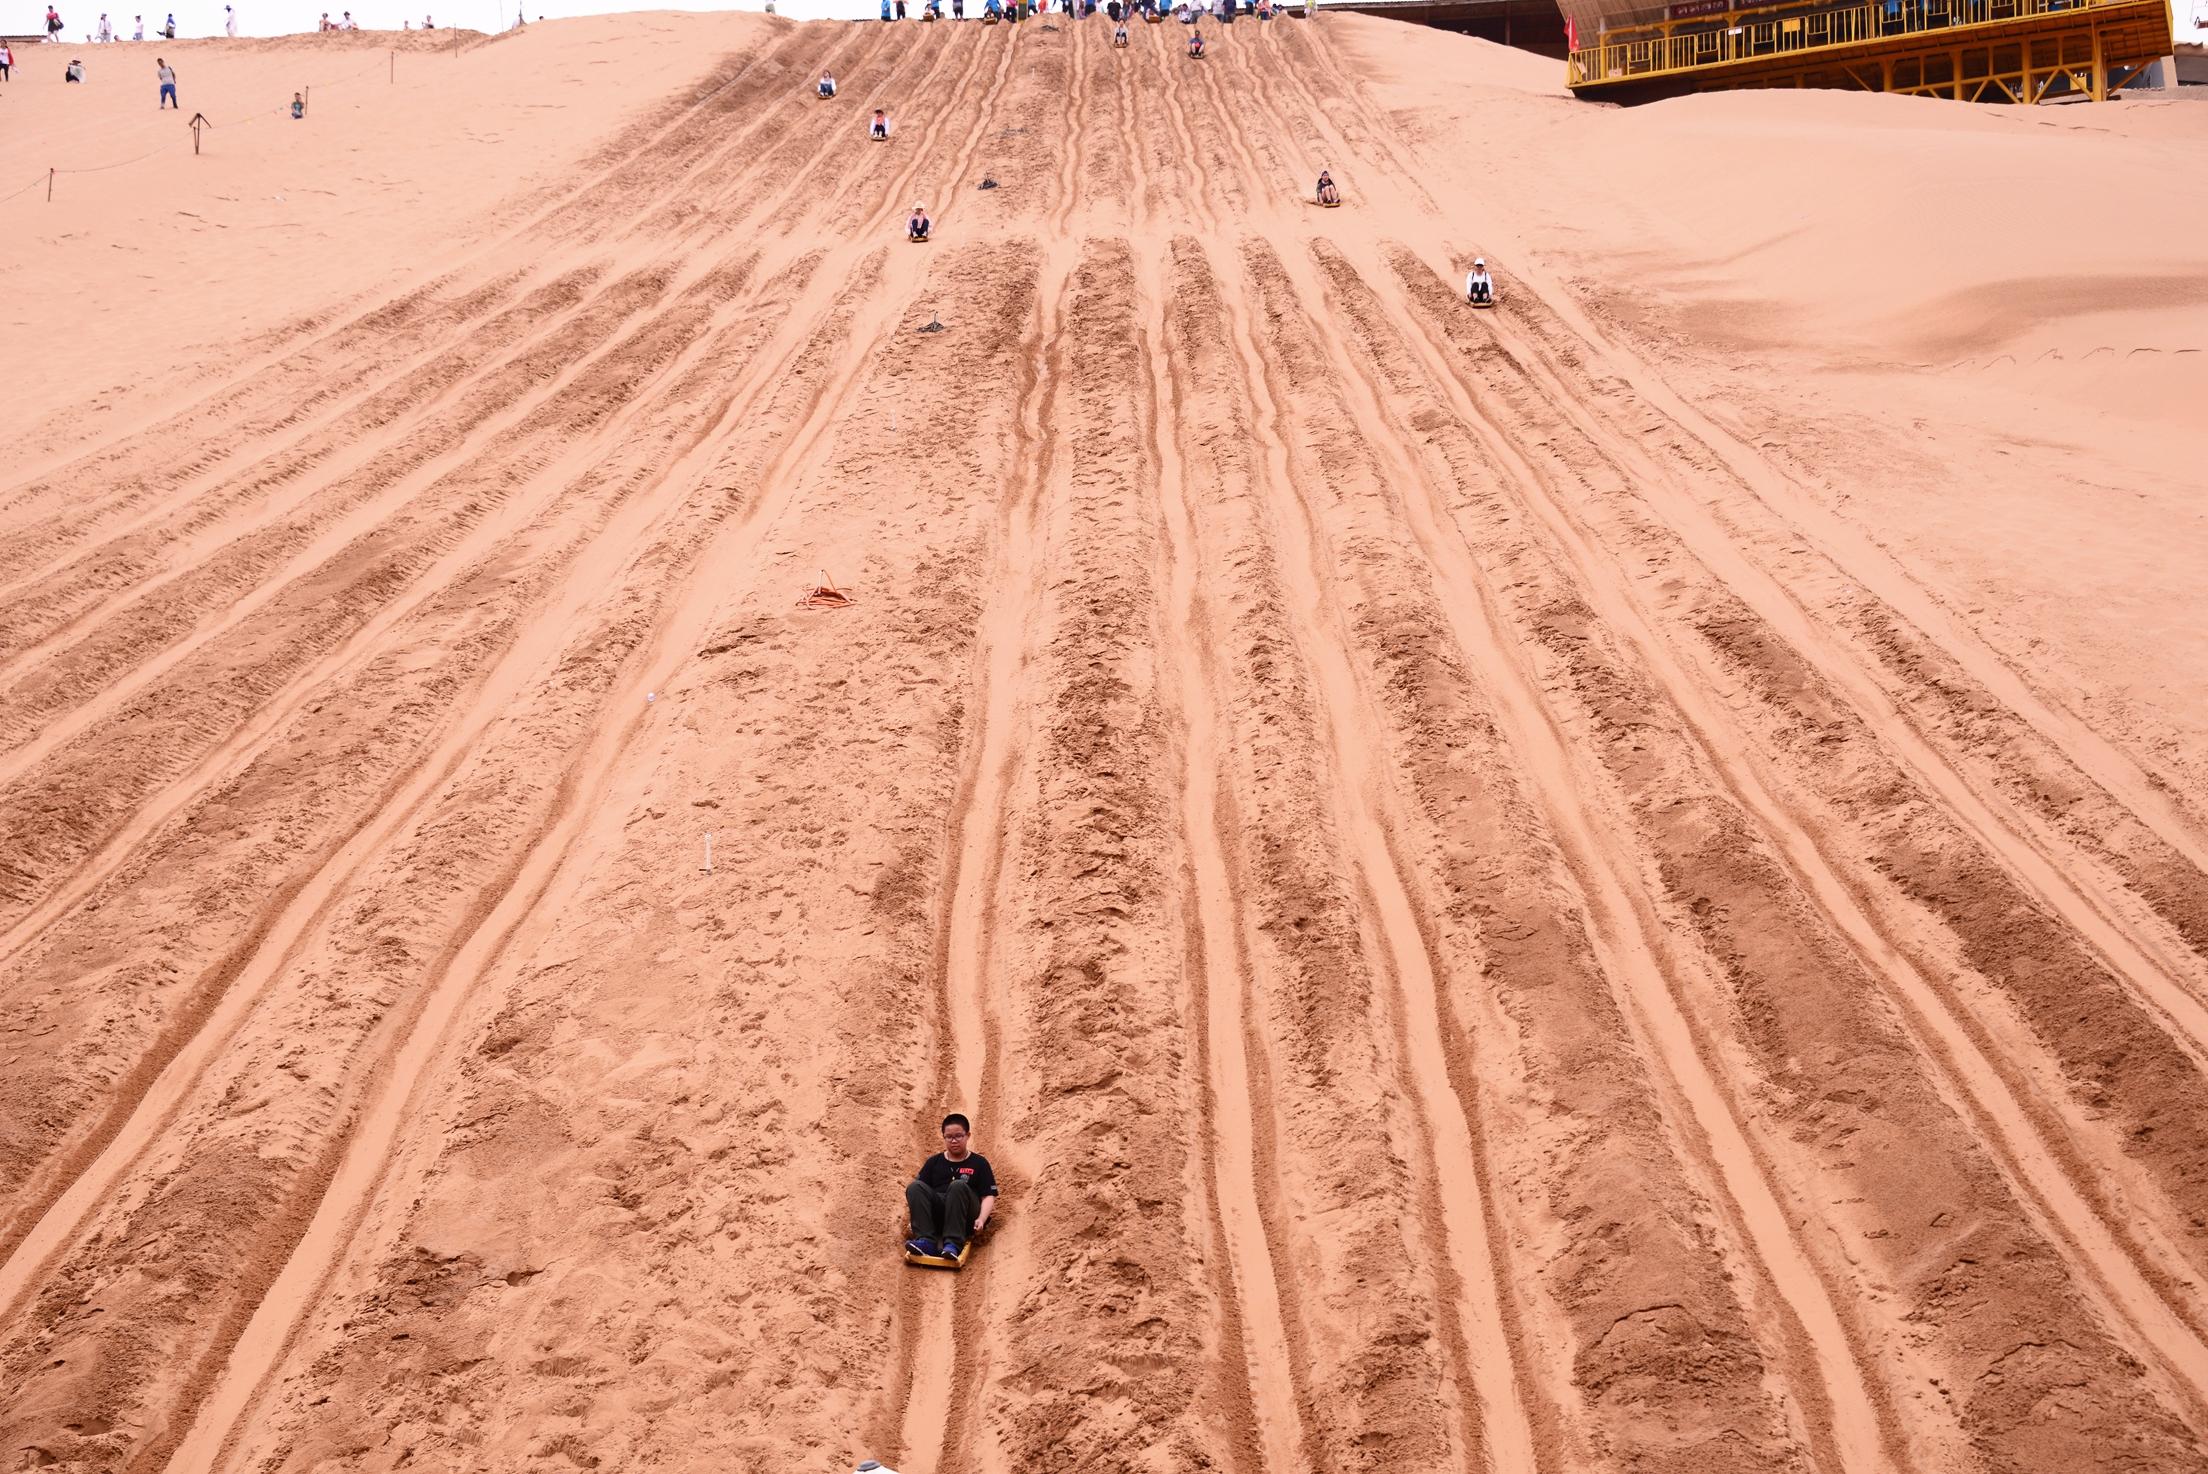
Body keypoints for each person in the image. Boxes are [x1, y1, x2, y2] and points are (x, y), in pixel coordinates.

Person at [904, 1114, 995, 1258]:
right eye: (949, 1137)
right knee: (915, 1187)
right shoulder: (934, 1162)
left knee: (957, 1185)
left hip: (966, 1216)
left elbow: (988, 1196)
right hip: (940, 1214)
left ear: (968, 1135)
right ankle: (926, 1241)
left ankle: (953, 1243)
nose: (954, 1141)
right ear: (944, 1137)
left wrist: (982, 1219)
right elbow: (921, 1196)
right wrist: (914, 1220)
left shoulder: (979, 1163)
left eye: (959, 1136)